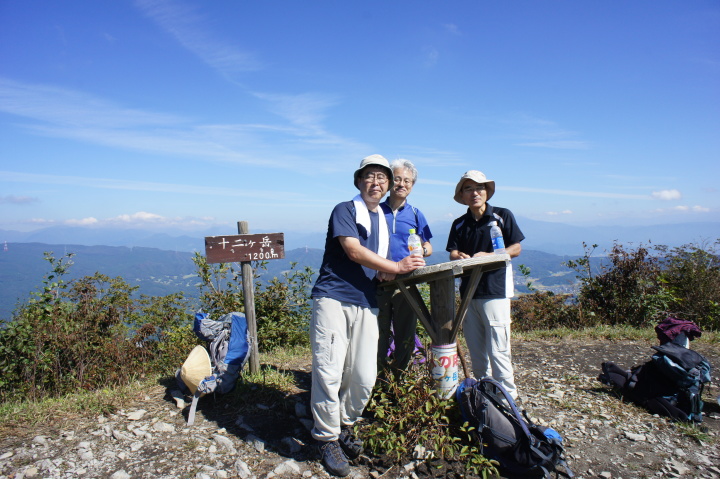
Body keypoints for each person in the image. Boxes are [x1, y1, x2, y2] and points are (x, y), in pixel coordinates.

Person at [310, 154, 426, 477]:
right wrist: (395, 267)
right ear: (359, 181)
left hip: (365, 300)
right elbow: (353, 250)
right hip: (333, 297)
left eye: (382, 177)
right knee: (329, 369)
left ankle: (345, 423)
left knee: (363, 375)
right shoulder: (345, 210)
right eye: (370, 176)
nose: (377, 182)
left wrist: (394, 269)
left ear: (388, 185)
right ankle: (326, 437)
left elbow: (380, 264)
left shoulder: (382, 221)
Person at [446, 170, 525, 400]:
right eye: (468, 189)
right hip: (469, 292)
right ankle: (485, 396)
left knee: (499, 349)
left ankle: (508, 399)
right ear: (462, 194)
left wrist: (489, 256)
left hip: (495, 290)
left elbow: (516, 248)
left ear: (487, 192)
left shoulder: (501, 216)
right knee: (477, 351)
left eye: (478, 188)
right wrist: (458, 255)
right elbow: (452, 251)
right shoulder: (459, 223)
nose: (474, 193)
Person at [377, 159, 433, 375]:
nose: (402, 184)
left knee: (405, 335)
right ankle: (378, 383)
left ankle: (400, 381)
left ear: (412, 185)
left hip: (407, 283)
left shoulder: (416, 214)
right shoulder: (375, 211)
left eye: (407, 181)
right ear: (390, 181)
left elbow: (428, 244)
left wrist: (422, 253)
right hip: (379, 281)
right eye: (398, 179)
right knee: (377, 336)